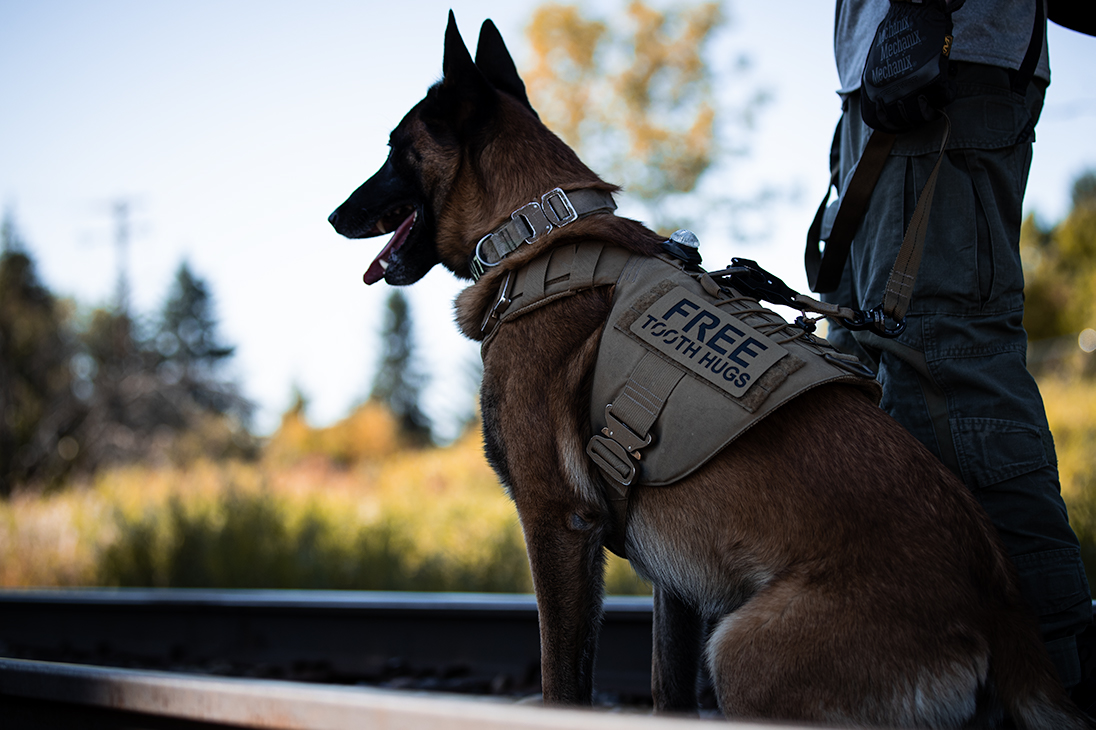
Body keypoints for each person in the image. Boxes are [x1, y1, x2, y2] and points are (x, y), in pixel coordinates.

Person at [815, 0, 1093, 695]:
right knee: (859, 377)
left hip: (943, 61)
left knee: (944, 369)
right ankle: (922, 667)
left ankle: (1064, 684)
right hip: (881, 83)